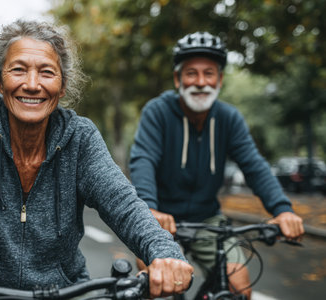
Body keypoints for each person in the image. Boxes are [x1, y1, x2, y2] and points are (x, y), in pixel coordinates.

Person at [0, 20, 193, 300]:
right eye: (18, 69)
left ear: (62, 86)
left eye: (46, 72)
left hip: (64, 290)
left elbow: (125, 205)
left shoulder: (80, 137)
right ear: (0, 82)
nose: (31, 84)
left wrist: (165, 254)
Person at [129, 31, 304, 299]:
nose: (201, 82)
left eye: (209, 73)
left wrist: (282, 210)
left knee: (239, 286)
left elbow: (254, 165)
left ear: (219, 79)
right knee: (155, 282)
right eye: (191, 73)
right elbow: (144, 160)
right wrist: (149, 209)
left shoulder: (229, 118)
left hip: (208, 219)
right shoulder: (158, 112)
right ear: (178, 79)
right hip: (162, 219)